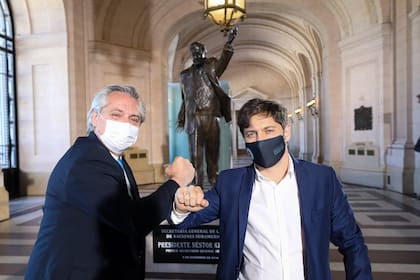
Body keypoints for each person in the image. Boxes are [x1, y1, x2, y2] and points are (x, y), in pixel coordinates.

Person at [171, 98, 373, 280]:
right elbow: (186, 219)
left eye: (269, 131)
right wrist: (182, 206)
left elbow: (352, 242)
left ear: (286, 132)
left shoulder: (321, 179)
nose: (260, 140)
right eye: (252, 134)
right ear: (245, 139)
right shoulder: (230, 183)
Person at [25, 85, 197, 280]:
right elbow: (133, 221)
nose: (127, 123)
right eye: (116, 114)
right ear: (95, 118)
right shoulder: (86, 162)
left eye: (134, 119)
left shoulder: (113, 159)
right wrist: (177, 181)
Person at [177, 27, 238, 186]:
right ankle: (196, 185)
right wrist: (181, 119)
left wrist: (229, 43)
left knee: (213, 156)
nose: (197, 55)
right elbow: (185, 99)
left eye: (199, 52)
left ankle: (214, 184)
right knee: (195, 158)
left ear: (204, 52)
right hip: (194, 120)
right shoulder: (184, 75)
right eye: (194, 53)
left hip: (211, 118)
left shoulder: (211, 66)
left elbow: (223, 62)